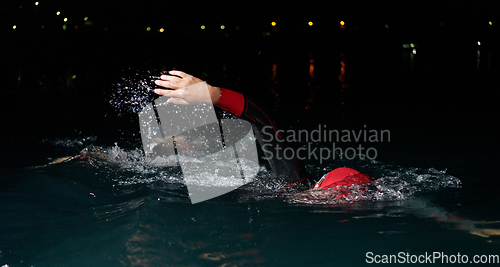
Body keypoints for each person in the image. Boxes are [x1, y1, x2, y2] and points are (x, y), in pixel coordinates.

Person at [153, 70, 373, 195]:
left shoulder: (299, 192)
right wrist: (212, 94)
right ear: (317, 187)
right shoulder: (296, 183)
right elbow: (264, 122)